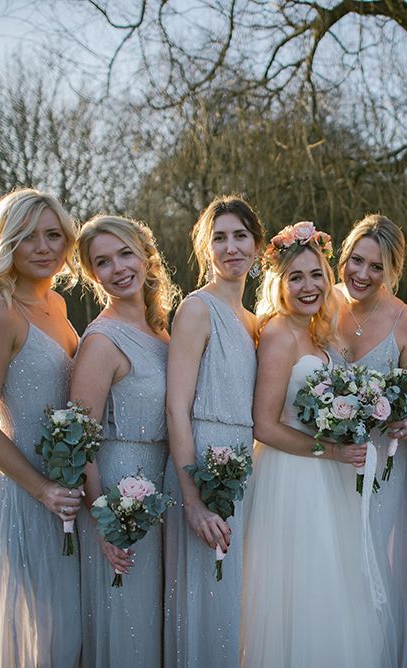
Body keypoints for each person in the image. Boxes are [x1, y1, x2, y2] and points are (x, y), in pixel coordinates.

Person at [240, 221, 386, 666]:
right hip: (291, 477)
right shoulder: (280, 335)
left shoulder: (322, 334)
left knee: (334, 588)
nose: (309, 286)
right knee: (300, 591)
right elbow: (264, 425)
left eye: (316, 274)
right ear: (279, 284)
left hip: (328, 476)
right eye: (296, 277)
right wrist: (334, 451)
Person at [0, 188, 81, 667]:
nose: (44, 246)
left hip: (68, 487)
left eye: (53, 234)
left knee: (71, 626)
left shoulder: (59, 306)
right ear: (7, 242)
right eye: (29, 236)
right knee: (48, 630)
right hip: (25, 489)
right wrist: (43, 489)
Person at [70, 214, 179, 667]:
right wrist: (103, 523)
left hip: (160, 484)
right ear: (93, 275)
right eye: (103, 262)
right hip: (117, 494)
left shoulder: (162, 330)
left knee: (151, 618)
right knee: (125, 619)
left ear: (146, 255)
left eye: (125, 254)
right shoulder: (101, 342)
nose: (118, 268)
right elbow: (80, 440)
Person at [163, 195, 264, 667]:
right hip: (200, 462)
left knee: (228, 598)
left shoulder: (252, 321)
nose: (231, 248)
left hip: (240, 464)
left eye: (240, 236)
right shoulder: (197, 309)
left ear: (258, 246)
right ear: (206, 249)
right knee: (202, 595)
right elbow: (176, 409)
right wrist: (194, 501)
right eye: (219, 238)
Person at [329, 214, 407, 668]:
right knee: (327, 555)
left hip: (382, 466)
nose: (362, 274)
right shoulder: (323, 304)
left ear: (393, 269)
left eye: (376, 266)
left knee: (371, 563)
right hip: (327, 460)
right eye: (356, 261)